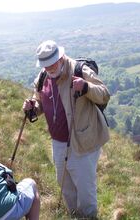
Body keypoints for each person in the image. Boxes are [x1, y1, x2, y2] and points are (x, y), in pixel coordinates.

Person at [22, 40, 110, 217]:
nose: (49, 69)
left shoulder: (79, 70)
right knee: (66, 186)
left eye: (52, 64)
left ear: (61, 57)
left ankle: (89, 217)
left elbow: (104, 94)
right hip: (58, 142)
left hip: (82, 141)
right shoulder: (42, 77)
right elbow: (40, 101)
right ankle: (75, 216)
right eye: (45, 66)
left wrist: (86, 87)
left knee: (85, 190)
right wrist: (32, 107)